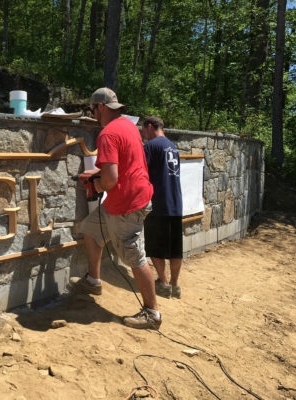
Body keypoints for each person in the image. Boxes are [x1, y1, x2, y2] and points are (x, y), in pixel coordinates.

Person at [69, 87, 161, 329]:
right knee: (90, 230)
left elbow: (110, 180)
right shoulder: (128, 127)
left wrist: (95, 183)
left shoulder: (107, 134)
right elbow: (122, 165)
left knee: (134, 257)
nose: (92, 114)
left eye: (92, 109)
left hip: (127, 204)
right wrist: (97, 175)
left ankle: (152, 313)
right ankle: (93, 280)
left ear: (100, 107)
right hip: (127, 197)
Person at [142, 116, 183, 299]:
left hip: (158, 204)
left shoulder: (151, 146)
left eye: (144, 131)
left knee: (156, 247)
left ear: (150, 127)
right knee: (175, 248)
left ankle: (164, 284)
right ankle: (175, 285)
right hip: (176, 203)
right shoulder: (172, 147)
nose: (144, 135)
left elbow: (141, 171)